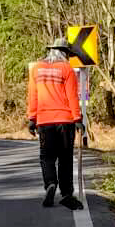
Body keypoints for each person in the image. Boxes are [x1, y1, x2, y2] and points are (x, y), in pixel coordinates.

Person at [28, 38, 85, 210]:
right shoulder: (67, 69)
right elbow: (72, 96)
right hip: (65, 121)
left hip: (44, 121)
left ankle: (50, 183)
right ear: (64, 53)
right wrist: (77, 119)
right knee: (65, 158)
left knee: (47, 157)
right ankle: (66, 194)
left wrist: (32, 118)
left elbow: (33, 95)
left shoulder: (36, 69)